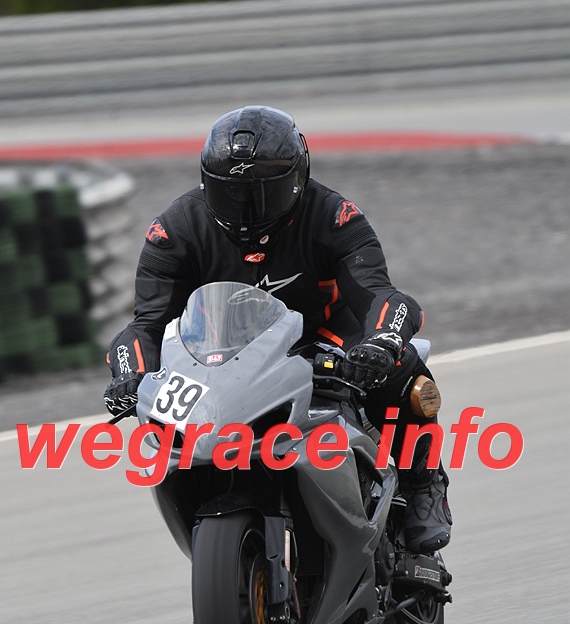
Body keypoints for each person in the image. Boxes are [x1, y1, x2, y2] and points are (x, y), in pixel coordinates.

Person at [104, 105, 451, 553]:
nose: (246, 209)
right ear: (208, 184)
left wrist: (382, 342)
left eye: (262, 193)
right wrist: (129, 374)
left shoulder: (333, 215)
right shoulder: (175, 230)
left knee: (403, 366)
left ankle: (424, 482)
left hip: (324, 336)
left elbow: (380, 295)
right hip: (225, 351)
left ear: (297, 179)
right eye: (231, 193)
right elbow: (147, 325)